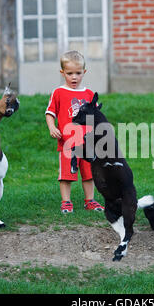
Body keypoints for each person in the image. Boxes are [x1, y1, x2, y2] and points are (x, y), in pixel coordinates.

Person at [45, 50, 104, 214]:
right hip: (68, 144)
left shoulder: (89, 94)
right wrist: (52, 127)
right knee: (66, 174)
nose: (74, 77)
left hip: (88, 144)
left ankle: (90, 201)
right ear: (62, 72)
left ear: (84, 72)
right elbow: (50, 113)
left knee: (89, 173)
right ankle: (66, 202)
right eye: (69, 73)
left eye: (78, 73)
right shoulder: (58, 92)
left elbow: (96, 116)